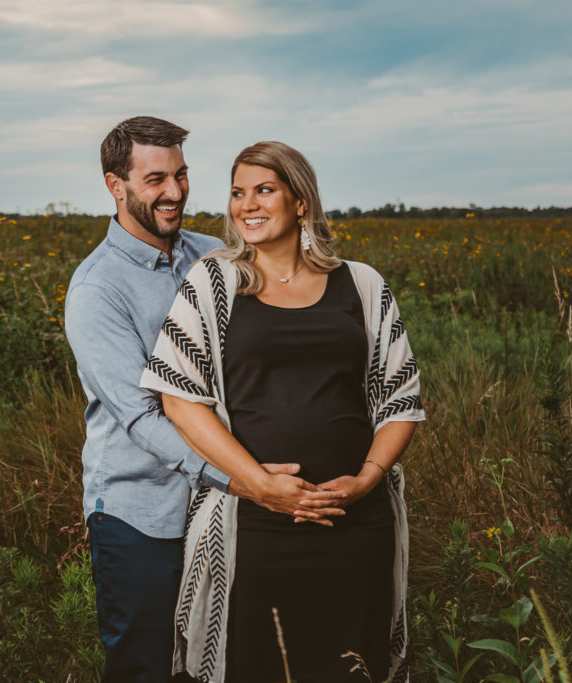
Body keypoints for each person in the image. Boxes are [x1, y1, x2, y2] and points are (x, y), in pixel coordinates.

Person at [65, 120, 346, 682]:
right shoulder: (98, 291)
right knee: (147, 666)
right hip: (143, 515)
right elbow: (143, 417)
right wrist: (249, 482)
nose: (174, 192)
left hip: (226, 510)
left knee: (219, 661)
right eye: (155, 180)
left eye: (182, 175)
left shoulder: (213, 257)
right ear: (115, 186)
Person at [141, 141, 425, 682]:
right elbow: (178, 397)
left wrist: (367, 479)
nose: (247, 205)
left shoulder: (362, 284)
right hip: (255, 526)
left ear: (300, 202)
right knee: (253, 663)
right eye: (237, 193)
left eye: (264, 190)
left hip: (356, 523)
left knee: (351, 664)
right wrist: (258, 484)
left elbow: (401, 399)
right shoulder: (212, 282)